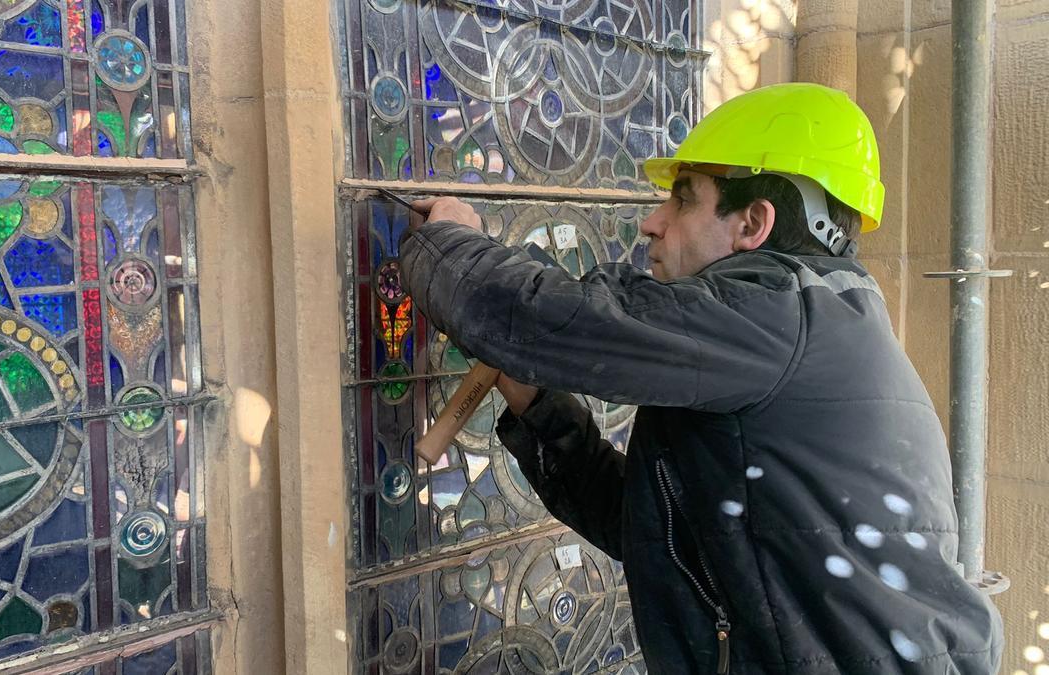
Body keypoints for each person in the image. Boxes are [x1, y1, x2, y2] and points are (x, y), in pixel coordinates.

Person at [399, 83, 1003, 674]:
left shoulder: (778, 312)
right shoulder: (798, 329)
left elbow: (551, 317)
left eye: (684, 198)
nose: (652, 224)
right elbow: (651, 531)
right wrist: (537, 405)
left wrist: (450, 241)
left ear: (752, 224)